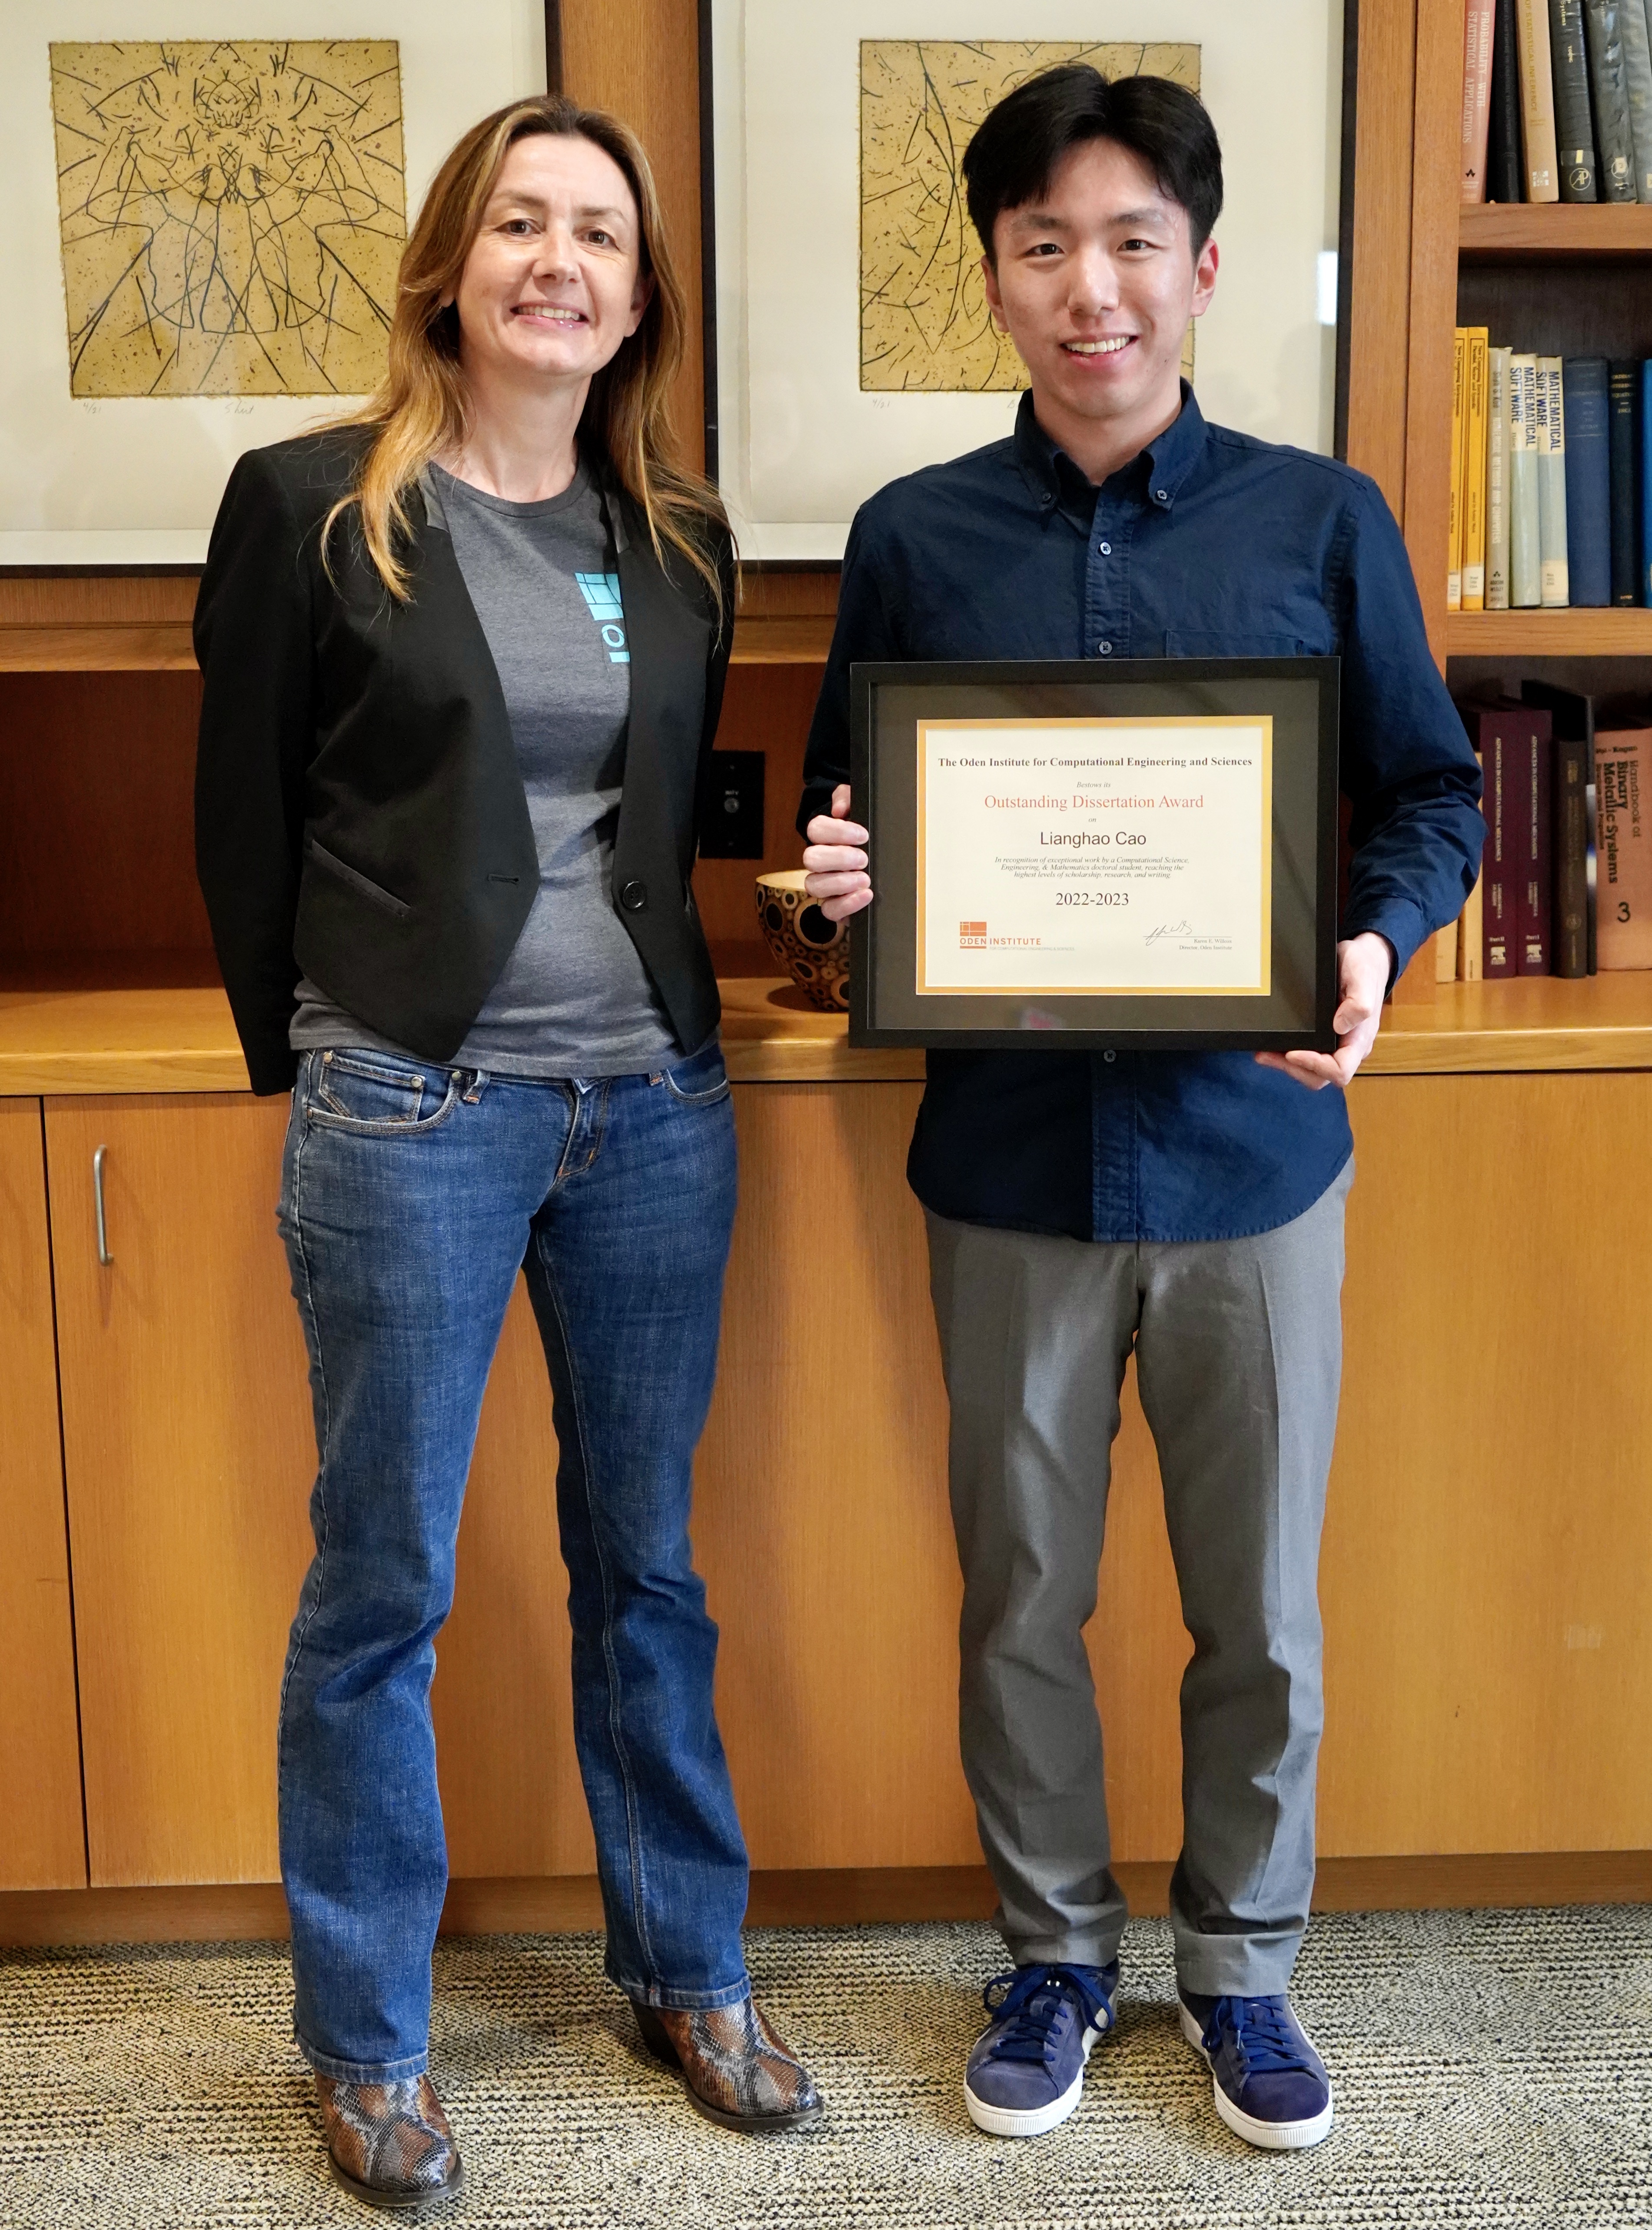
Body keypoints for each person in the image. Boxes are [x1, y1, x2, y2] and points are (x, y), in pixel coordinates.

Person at [801, 67, 1481, 2154]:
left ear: (1200, 273)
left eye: (1127, 245)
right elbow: (856, 829)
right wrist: (849, 892)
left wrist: (1373, 944)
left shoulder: (1322, 519)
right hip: (1007, 1166)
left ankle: (1245, 1968)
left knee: (1257, 1599)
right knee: (1020, 1585)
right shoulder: (916, 537)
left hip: (1254, 1157)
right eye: (1040, 246)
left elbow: (1433, 793)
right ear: (994, 281)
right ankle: (1055, 1949)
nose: (1087, 288)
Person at [195, 92, 822, 2212]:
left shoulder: (679, 536)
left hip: (655, 1103)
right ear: (454, 263)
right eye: (524, 223)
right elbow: (241, 819)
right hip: (414, 1106)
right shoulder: (311, 509)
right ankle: (363, 2035)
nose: (564, 262)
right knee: (386, 1578)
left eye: (603, 238)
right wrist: (323, 1060)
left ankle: (690, 1962)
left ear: (640, 298)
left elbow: (660, 832)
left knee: (646, 1562)